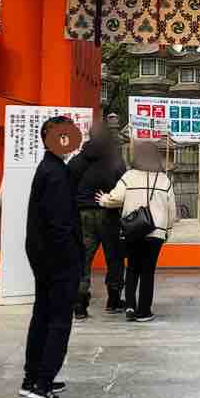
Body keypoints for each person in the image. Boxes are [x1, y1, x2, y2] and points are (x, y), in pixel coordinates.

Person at [21, 115, 84, 398]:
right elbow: (61, 225)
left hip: (41, 255)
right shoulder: (56, 174)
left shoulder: (49, 167)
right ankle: (43, 383)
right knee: (59, 319)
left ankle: (32, 376)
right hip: (59, 258)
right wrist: (71, 260)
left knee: (43, 315)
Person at [99, 140, 176, 322]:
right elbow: (171, 209)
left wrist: (104, 199)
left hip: (133, 230)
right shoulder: (164, 179)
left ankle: (130, 307)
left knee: (132, 268)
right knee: (148, 271)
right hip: (156, 232)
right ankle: (144, 311)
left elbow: (116, 198)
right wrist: (167, 230)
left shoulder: (129, 176)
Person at [66, 123, 126, 318]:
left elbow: (67, 189)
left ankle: (80, 303)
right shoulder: (115, 161)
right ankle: (114, 299)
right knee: (114, 257)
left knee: (83, 259)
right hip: (108, 214)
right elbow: (123, 189)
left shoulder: (76, 162)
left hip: (82, 215)